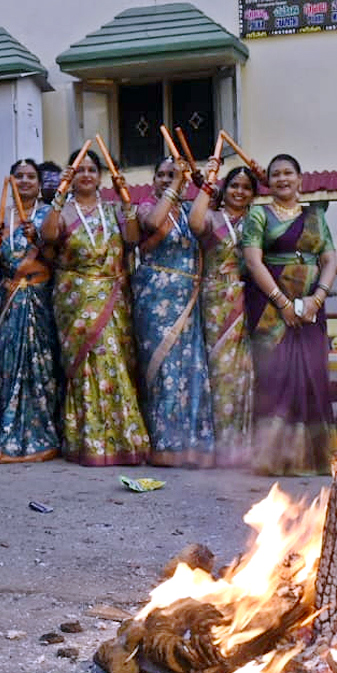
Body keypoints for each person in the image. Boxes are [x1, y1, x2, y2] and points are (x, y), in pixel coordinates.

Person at [40, 149, 148, 466]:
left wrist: (127, 200)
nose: (86, 174)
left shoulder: (113, 209)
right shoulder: (64, 212)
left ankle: (123, 437)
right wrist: (59, 197)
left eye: (91, 169)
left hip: (112, 295)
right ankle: (87, 440)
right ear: (70, 178)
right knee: (86, 364)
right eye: (79, 170)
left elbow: (132, 238)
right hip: (75, 298)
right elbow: (48, 236)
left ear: (100, 176)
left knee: (114, 361)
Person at [241, 153, 337, 476]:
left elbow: (329, 260)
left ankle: (314, 458)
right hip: (269, 308)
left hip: (311, 306)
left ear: (300, 179)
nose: (283, 179)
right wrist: (281, 302)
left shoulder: (315, 216)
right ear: (269, 182)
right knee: (275, 376)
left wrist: (318, 298)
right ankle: (273, 458)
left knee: (312, 374)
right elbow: (253, 262)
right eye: (276, 174)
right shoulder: (258, 215)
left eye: (288, 173)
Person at [132, 157, 215, 467]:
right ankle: (163, 444)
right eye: (162, 175)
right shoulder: (145, 207)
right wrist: (179, 184)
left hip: (189, 298)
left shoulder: (191, 211)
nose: (168, 179)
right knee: (162, 369)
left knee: (190, 368)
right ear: (153, 180)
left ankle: (193, 444)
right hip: (155, 298)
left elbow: (206, 229)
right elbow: (153, 225)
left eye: (173, 174)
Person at [0, 160, 61, 463]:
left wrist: (37, 241)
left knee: (42, 365)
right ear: (10, 182)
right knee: (12, 363)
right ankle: (11, 437)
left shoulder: (48, 215)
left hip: (41, 296)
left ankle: (46, 436)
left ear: (40, 184)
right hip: (11, 297)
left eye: (31, 177)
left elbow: (58, 260)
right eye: (19, 177)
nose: (25, 181)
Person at [189, 164, 260, 467]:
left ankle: (242, 445)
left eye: (246, 187)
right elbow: (193, 223)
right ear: (225, 189)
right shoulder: (212, 218)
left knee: (245, 372)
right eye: (234, 186)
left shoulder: (257, 221)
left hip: (249, 299)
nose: (240, 191)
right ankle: (217, 444)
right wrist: (207, 186)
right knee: (217, 370)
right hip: (215, 299)